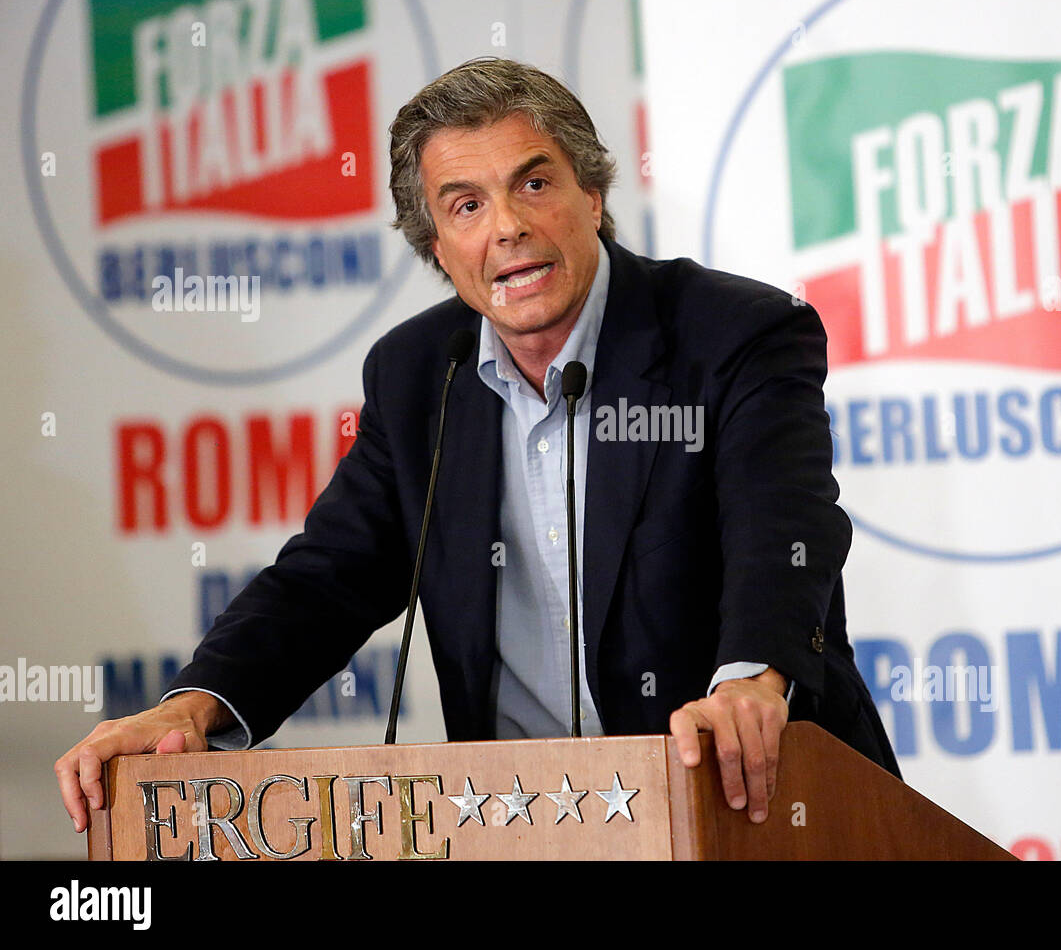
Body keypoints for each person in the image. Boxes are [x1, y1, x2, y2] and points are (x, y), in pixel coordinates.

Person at [56, 57, 900, 837]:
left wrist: (751, 682)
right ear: (436, 248)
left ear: (593, 195)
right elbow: (326, 578)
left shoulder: (735, 333)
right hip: (526, 830)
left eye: (534, 183)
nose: (508, 228)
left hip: (746, 807)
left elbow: (784, 525)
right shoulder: (421, 373)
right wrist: (196, 704)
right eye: (466, 205)